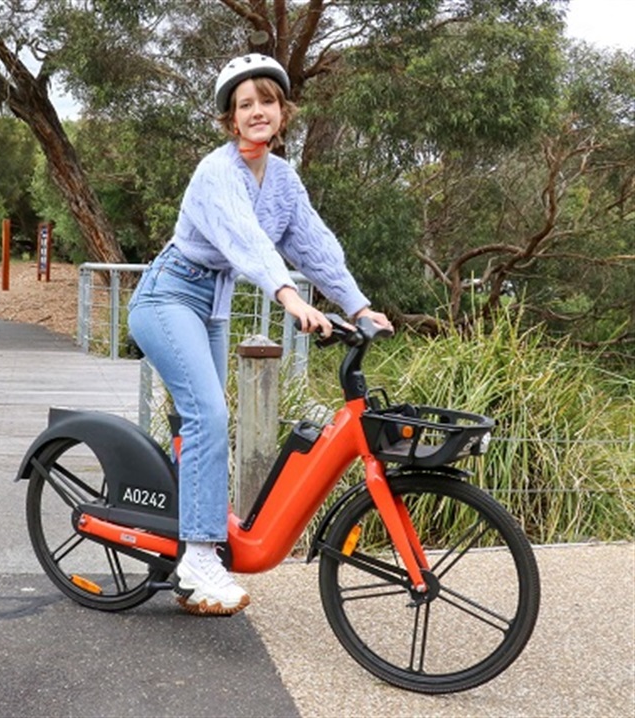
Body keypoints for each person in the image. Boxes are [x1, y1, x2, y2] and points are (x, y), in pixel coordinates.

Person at [127, 54, 393, 615]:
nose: (256, 112)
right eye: (244, 105)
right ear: (230, 118)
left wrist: (359, 304)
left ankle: (183, 540)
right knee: (209, 416)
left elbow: (315, 245)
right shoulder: (216, 171)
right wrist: (291, 298)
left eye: (266, 101)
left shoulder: (284, 179)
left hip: (213, 305)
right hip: (167, 295)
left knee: (199, 420)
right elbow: (246, 240)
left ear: (282, 110)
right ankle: (199, 559)